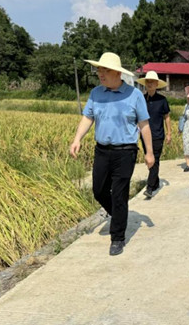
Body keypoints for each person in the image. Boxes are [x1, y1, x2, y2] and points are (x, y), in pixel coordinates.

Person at [69, 52, 154, 256]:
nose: (100, 74)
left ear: (117, 73)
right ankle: (118, 215)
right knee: (99, 190)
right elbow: (87, 118)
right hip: (102, 151)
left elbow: (144, 125)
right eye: (99, 70)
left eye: (104, 70)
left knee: (119, 194)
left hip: (125, 152)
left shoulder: (134, 95)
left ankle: (117, 237)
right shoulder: (96, 93)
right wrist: (77, 138)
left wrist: (149, 152)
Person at [136, 71, 171, 198]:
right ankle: (155, 182)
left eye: (152, 82)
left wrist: (169, 133)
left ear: (157, 84)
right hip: (144, 135)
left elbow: (166, 117)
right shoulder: (141, 99)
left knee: (154, 160)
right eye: (148, 82)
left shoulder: (162, 100)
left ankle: (150, 187)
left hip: (158, 135)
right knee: (149, 160)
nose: (150, 84)